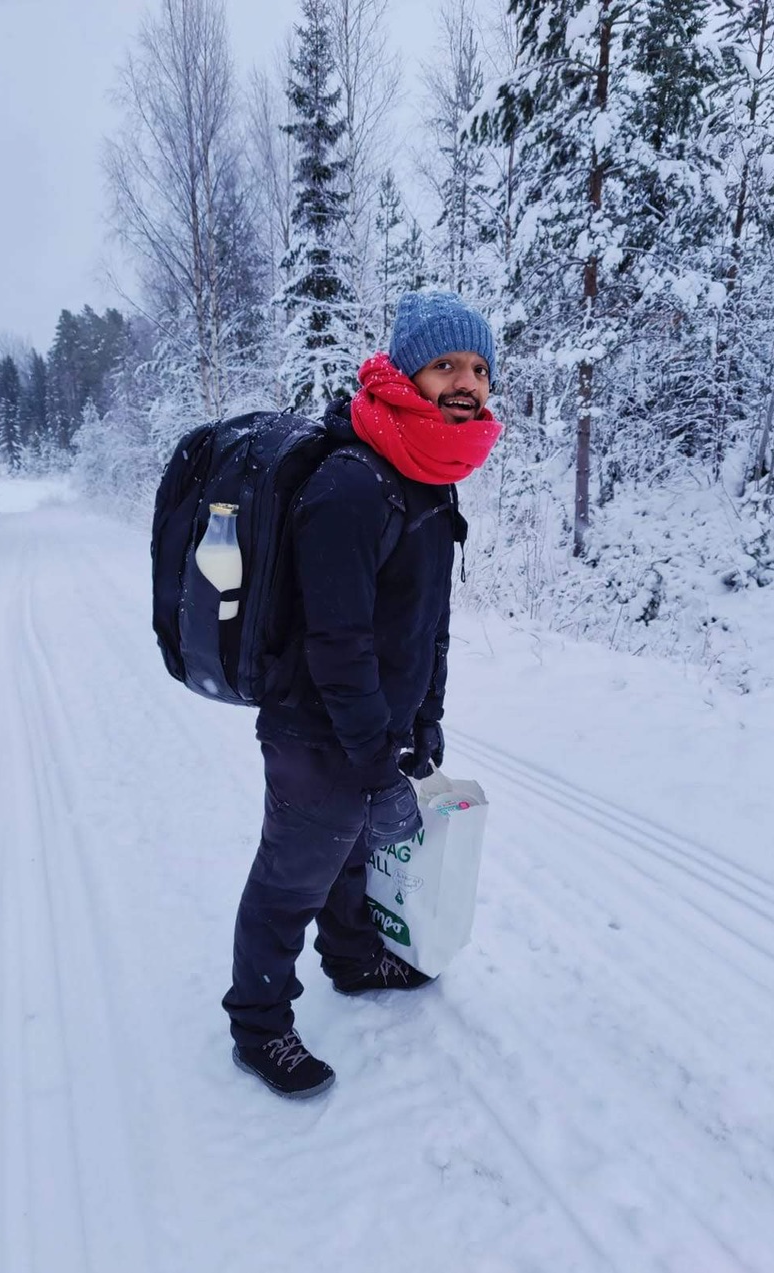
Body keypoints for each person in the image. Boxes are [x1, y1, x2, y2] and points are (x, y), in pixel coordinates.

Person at [222, 290, 502, 1099]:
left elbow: (425, 620)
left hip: (374, 722)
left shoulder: (428, 476)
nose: (465, 382)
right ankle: (258, 1024)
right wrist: (375, 759)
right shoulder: (353, 484)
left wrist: (425, 716)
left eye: (478, 368)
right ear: (405, 371)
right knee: (292, 875)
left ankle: (349, 956)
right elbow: (335, 641)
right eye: (446, 363)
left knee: (354, 848)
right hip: (317, 729)